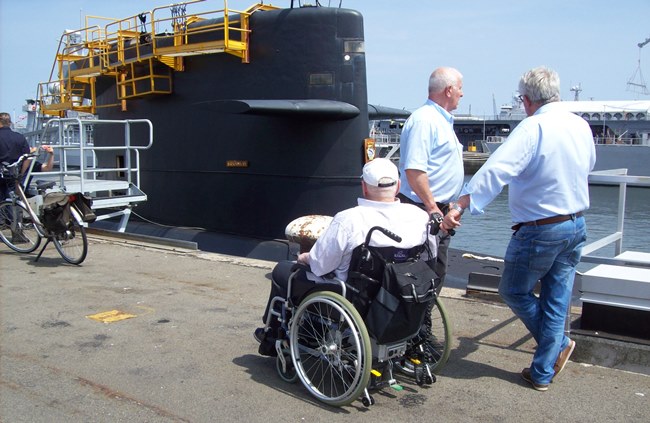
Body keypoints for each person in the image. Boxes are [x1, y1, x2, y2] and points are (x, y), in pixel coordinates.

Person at [445, 66, 595, 391]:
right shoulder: (580, 125)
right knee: (556, 299)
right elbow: (589, 165)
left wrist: (462, 203)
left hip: (540, 228)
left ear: (526, 100)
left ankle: (556, 346)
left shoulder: (533, 128)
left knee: (513, 290)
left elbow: (496, 168)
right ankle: (542, 373)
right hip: (576, 224)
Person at [254, 158, 434, 356]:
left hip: (355, 298)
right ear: (398, 185)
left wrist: (306, 258)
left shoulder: (349, 219)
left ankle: (273, 337)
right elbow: (426, 256)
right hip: (400, 292)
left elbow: (321, 266)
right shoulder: (420, 216)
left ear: (364, 187)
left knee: (283, 272)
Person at [396, 67, 465, 345]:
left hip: (439, 210)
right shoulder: (425, 121)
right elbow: (414, 170)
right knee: (424, 275)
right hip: (425, 211)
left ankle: (417, 333)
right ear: (448, 90)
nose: (462, 93)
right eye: (460, 87)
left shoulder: (441, 120)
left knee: (435, 273)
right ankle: (416, 337)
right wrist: (433, 208)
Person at [0, 112, 30, 200]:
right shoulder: (20, 137)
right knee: (11, 201)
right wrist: (21, 174)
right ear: (9, 123)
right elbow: (27, 158)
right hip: (14, 174)